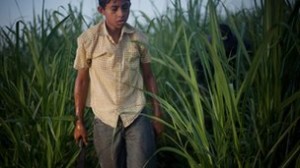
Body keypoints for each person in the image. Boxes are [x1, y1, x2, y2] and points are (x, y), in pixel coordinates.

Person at [73, 0, 164, 167]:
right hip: (105, 118)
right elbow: (82, 80)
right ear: (101, 10)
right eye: (114, 9)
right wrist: (79, 121)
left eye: (125, 7)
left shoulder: (138, 38)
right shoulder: (88, 39)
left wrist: (158, 115)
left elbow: (149, 76)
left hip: (136, 115)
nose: (121, 13)